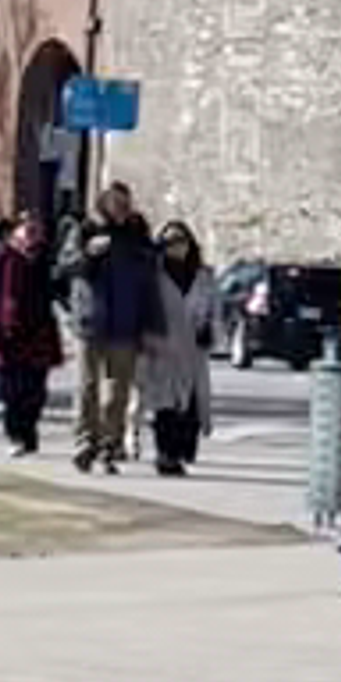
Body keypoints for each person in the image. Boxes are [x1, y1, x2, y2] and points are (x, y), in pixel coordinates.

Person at [71, 193, 165, 469]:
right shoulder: (86, 230)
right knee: (87, 385)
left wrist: (152, 325)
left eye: (125, 205)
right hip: (92, 321)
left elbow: (150, 285)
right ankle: (86, 439)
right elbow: (66, 268)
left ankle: (110, 442)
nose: (121, 211)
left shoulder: (136, 237)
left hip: (126, 322)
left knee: (118, 389)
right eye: (116, 206)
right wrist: (88, 253)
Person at [0, 210, 63, 456]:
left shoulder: (45, 259)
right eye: (26, 228)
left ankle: (30, 430)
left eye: (36, 229)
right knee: (13, 390)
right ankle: (16, 435)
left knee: (36, 390)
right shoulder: (3, 257)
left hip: (39, 332)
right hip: (9, 334)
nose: (31, 233)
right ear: (16, 231)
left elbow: (59, 289)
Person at [147, 215, 221, 473]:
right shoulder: (154, 276)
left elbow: (215, 310)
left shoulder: (204, 276)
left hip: (193, 348)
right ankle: (165, 455)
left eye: (180, 240)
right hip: (164, 347)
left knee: (190, 407)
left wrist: (210, 331)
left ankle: (182, 452)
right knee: (165, 406)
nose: (175, 246)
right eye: (169, 242)